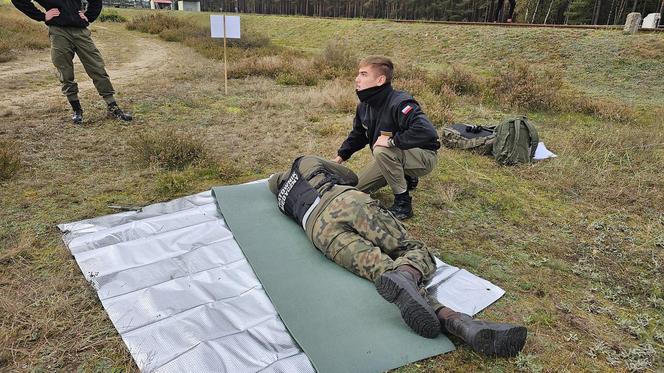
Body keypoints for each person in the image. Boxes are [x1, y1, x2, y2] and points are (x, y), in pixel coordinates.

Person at [268, 155, 527, 357]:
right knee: (414, 250)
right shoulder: (305, 161)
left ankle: (454, 320)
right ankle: (409, 276)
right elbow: (350, 175)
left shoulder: (281, 195)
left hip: (320, 231)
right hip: (348, 201)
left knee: (381, 269)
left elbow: (272, 182)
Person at [333, 56, 440, 220]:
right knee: (355, 190)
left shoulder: (400, 102)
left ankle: (403, 203)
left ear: (380, 79)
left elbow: (427, 132)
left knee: (382, 149)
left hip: (423, 157)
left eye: (363, 74)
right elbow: (358, 135)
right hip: (392, 157)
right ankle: (406, 175)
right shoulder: (364, 106)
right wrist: (340, 156)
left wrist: (392, 141)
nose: (357, 79)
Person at [12, 0, 132, 124]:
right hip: (58, 31)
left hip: (81, 31)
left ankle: (112, 107)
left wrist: (89, 16)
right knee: (65, 71)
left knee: (97, 68)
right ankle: (76, 110)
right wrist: (42, 16)